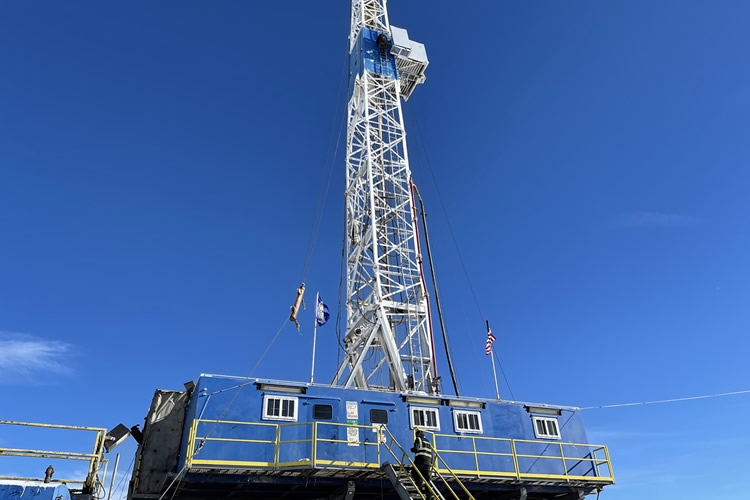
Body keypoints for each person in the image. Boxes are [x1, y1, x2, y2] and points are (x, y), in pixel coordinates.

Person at [410, 429, 433, 496]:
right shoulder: (428, 442)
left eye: (416, 435)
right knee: (427, 479)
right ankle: (428, 496)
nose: (415, 436)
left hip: (420, 460)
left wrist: (411, 450)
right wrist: (431, 463)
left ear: (418, 434)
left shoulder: (418, 439)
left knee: (414, 473)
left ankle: (419, 487)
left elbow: (416, 449)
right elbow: (431, 453)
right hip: (428, 462)